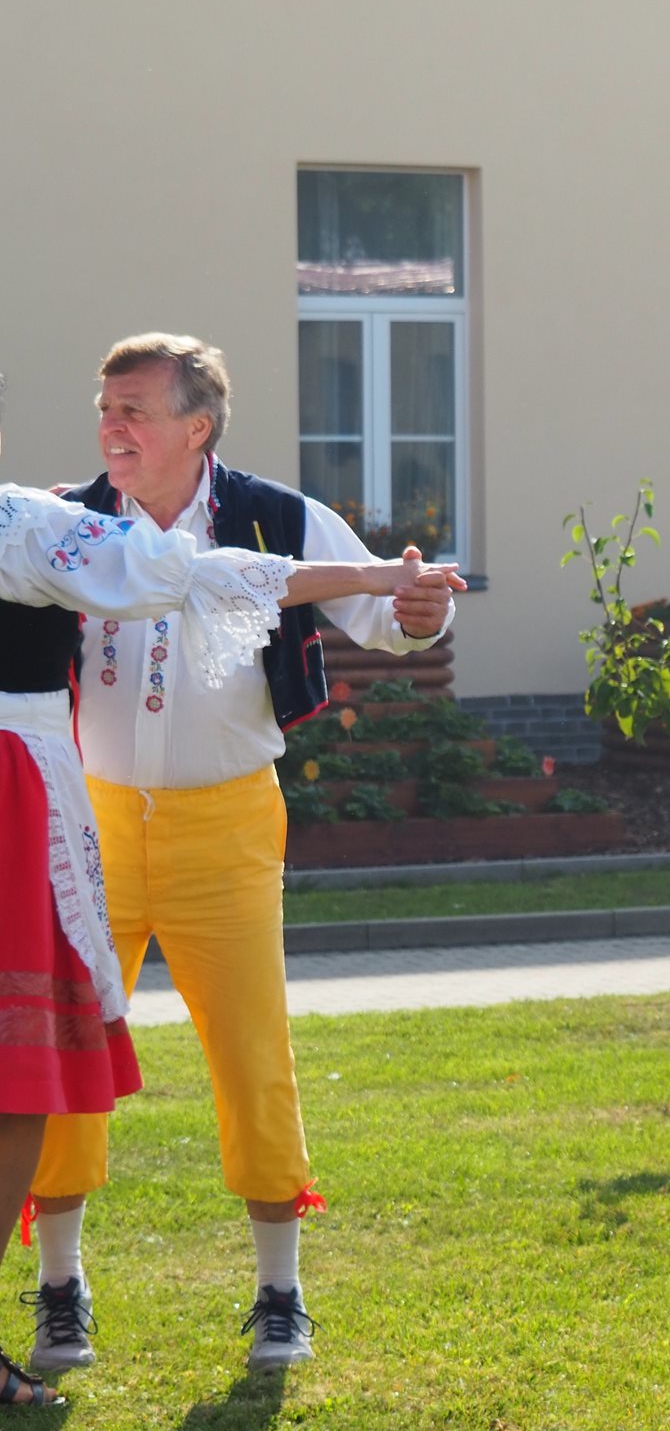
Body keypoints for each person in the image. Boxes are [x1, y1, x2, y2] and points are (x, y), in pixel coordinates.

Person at [0, 383, 465, 1407]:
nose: (111, 427)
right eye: (103, 407)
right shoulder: (61, 519)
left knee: (255, 1054)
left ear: (196, 425)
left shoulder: (278, 512)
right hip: (90, 819)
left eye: (134, 409)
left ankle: (279, 1294)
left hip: (228, 817)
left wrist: (416, 608)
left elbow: (386, 615)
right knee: (59, 1048)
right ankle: (60, 1288)